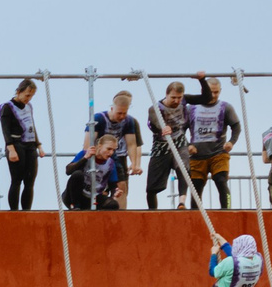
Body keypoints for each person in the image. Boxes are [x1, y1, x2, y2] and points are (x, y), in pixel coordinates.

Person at [179, 76, 239, 212]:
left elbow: (236, 126)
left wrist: (231, 141)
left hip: (219, 153)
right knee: (196, 187)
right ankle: (196, 215)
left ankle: (226, 211)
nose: (213, 95)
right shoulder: (191, 108)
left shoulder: (225, 107)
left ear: (220, 91)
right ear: (204, 90)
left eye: (216, 92)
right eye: (211, 92)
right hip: (196, 155)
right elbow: (180, 129)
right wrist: (187, 145)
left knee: (221, 181)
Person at [145, 81, 191, 209]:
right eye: (173, 97)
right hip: (161, 145)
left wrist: (201, 80)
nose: (176, 100)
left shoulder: (183, 104)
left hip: (179, 141)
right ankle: (152, 211)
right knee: (151, 188)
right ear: (166, 95)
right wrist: (163, 128)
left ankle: (182, 202)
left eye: (179, 97)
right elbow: (155, 123)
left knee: (183, 168)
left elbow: (206, 98)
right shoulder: (155, 108)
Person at [0, 79, 41, 210]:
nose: (29, 99)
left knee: (30, 181)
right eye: (27, 95)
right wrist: (11, 149)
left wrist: (39, 145)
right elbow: (5, 130)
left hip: (30, 145)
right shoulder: (7, 107)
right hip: (16, 143)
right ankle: (14, 211)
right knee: (17, 179)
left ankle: (27, 211)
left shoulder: (29, 107)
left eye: (32, 96)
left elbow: (32, 126)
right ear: (18, 92)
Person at [88, 91, 144, 183]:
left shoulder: (130, 121)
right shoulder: (100, 118)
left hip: (120, 155)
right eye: (119, 113)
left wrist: (135, 164)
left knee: (121, 186)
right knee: (102, 188)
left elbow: (135, 144)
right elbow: (88, 142)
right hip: (102, 156)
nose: (122, 116)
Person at [61, 133, 126, 211]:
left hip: (92, 197)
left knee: (113, 205)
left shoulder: (111, 163)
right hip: (74, 196)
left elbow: (113, 185)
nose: (111, 153)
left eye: (113, 150)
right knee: (77, 174)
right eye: (108, 149)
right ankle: (76, 206)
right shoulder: (84, 154)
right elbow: (68, 171)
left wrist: (115, 193)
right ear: (99, 146)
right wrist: (85, 158)